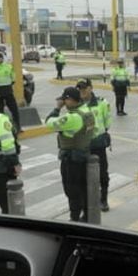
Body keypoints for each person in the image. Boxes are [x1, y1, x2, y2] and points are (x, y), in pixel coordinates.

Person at [45, 87, 94, 221]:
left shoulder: (72, 117)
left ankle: (74, 218)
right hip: (84, 155)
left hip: (72, 159)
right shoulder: (86, 111)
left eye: (65, 100)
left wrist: (57, 108)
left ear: (71, 100)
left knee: (72, 190)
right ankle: (87, 215)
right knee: (83, 188)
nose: (64, 103)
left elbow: (49, 123)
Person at [77, 78, 112, 211]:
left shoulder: (102, 103)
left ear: (91, 88)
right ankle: (86, 201)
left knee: (102, 173)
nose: (82, 91)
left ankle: (104, 199)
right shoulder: (76, 104)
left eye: (84, 88)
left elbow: (107, 122)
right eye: (80, 88)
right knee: (82, 174)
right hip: (82, 146)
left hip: (98, 144)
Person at [0, 52, 18, 117]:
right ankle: (0, 121)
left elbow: (13, 78)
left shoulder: (8, 67)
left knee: (13, 108)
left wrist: (10, 84)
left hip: (7, 90)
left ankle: (16, 122)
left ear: (2, 58)